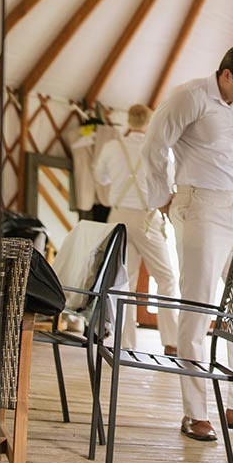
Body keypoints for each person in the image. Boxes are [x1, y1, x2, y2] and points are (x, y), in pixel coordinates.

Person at [142, 44, 233, 442]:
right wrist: (162, 197)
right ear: (226, 75)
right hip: (200, 206)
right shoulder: (188, 97)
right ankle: (194, 413)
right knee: (198, 306)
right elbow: (154, 145)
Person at [94, 104, 179, 353]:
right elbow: (168, 184)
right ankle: (171, 341)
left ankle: (124, 342)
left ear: (128, 120)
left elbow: (101, 178)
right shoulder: (158, 149)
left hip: (117, 216)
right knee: (166, 278)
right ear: (150, 122)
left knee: (124, 281)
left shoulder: (111, 147)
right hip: (146, 217)